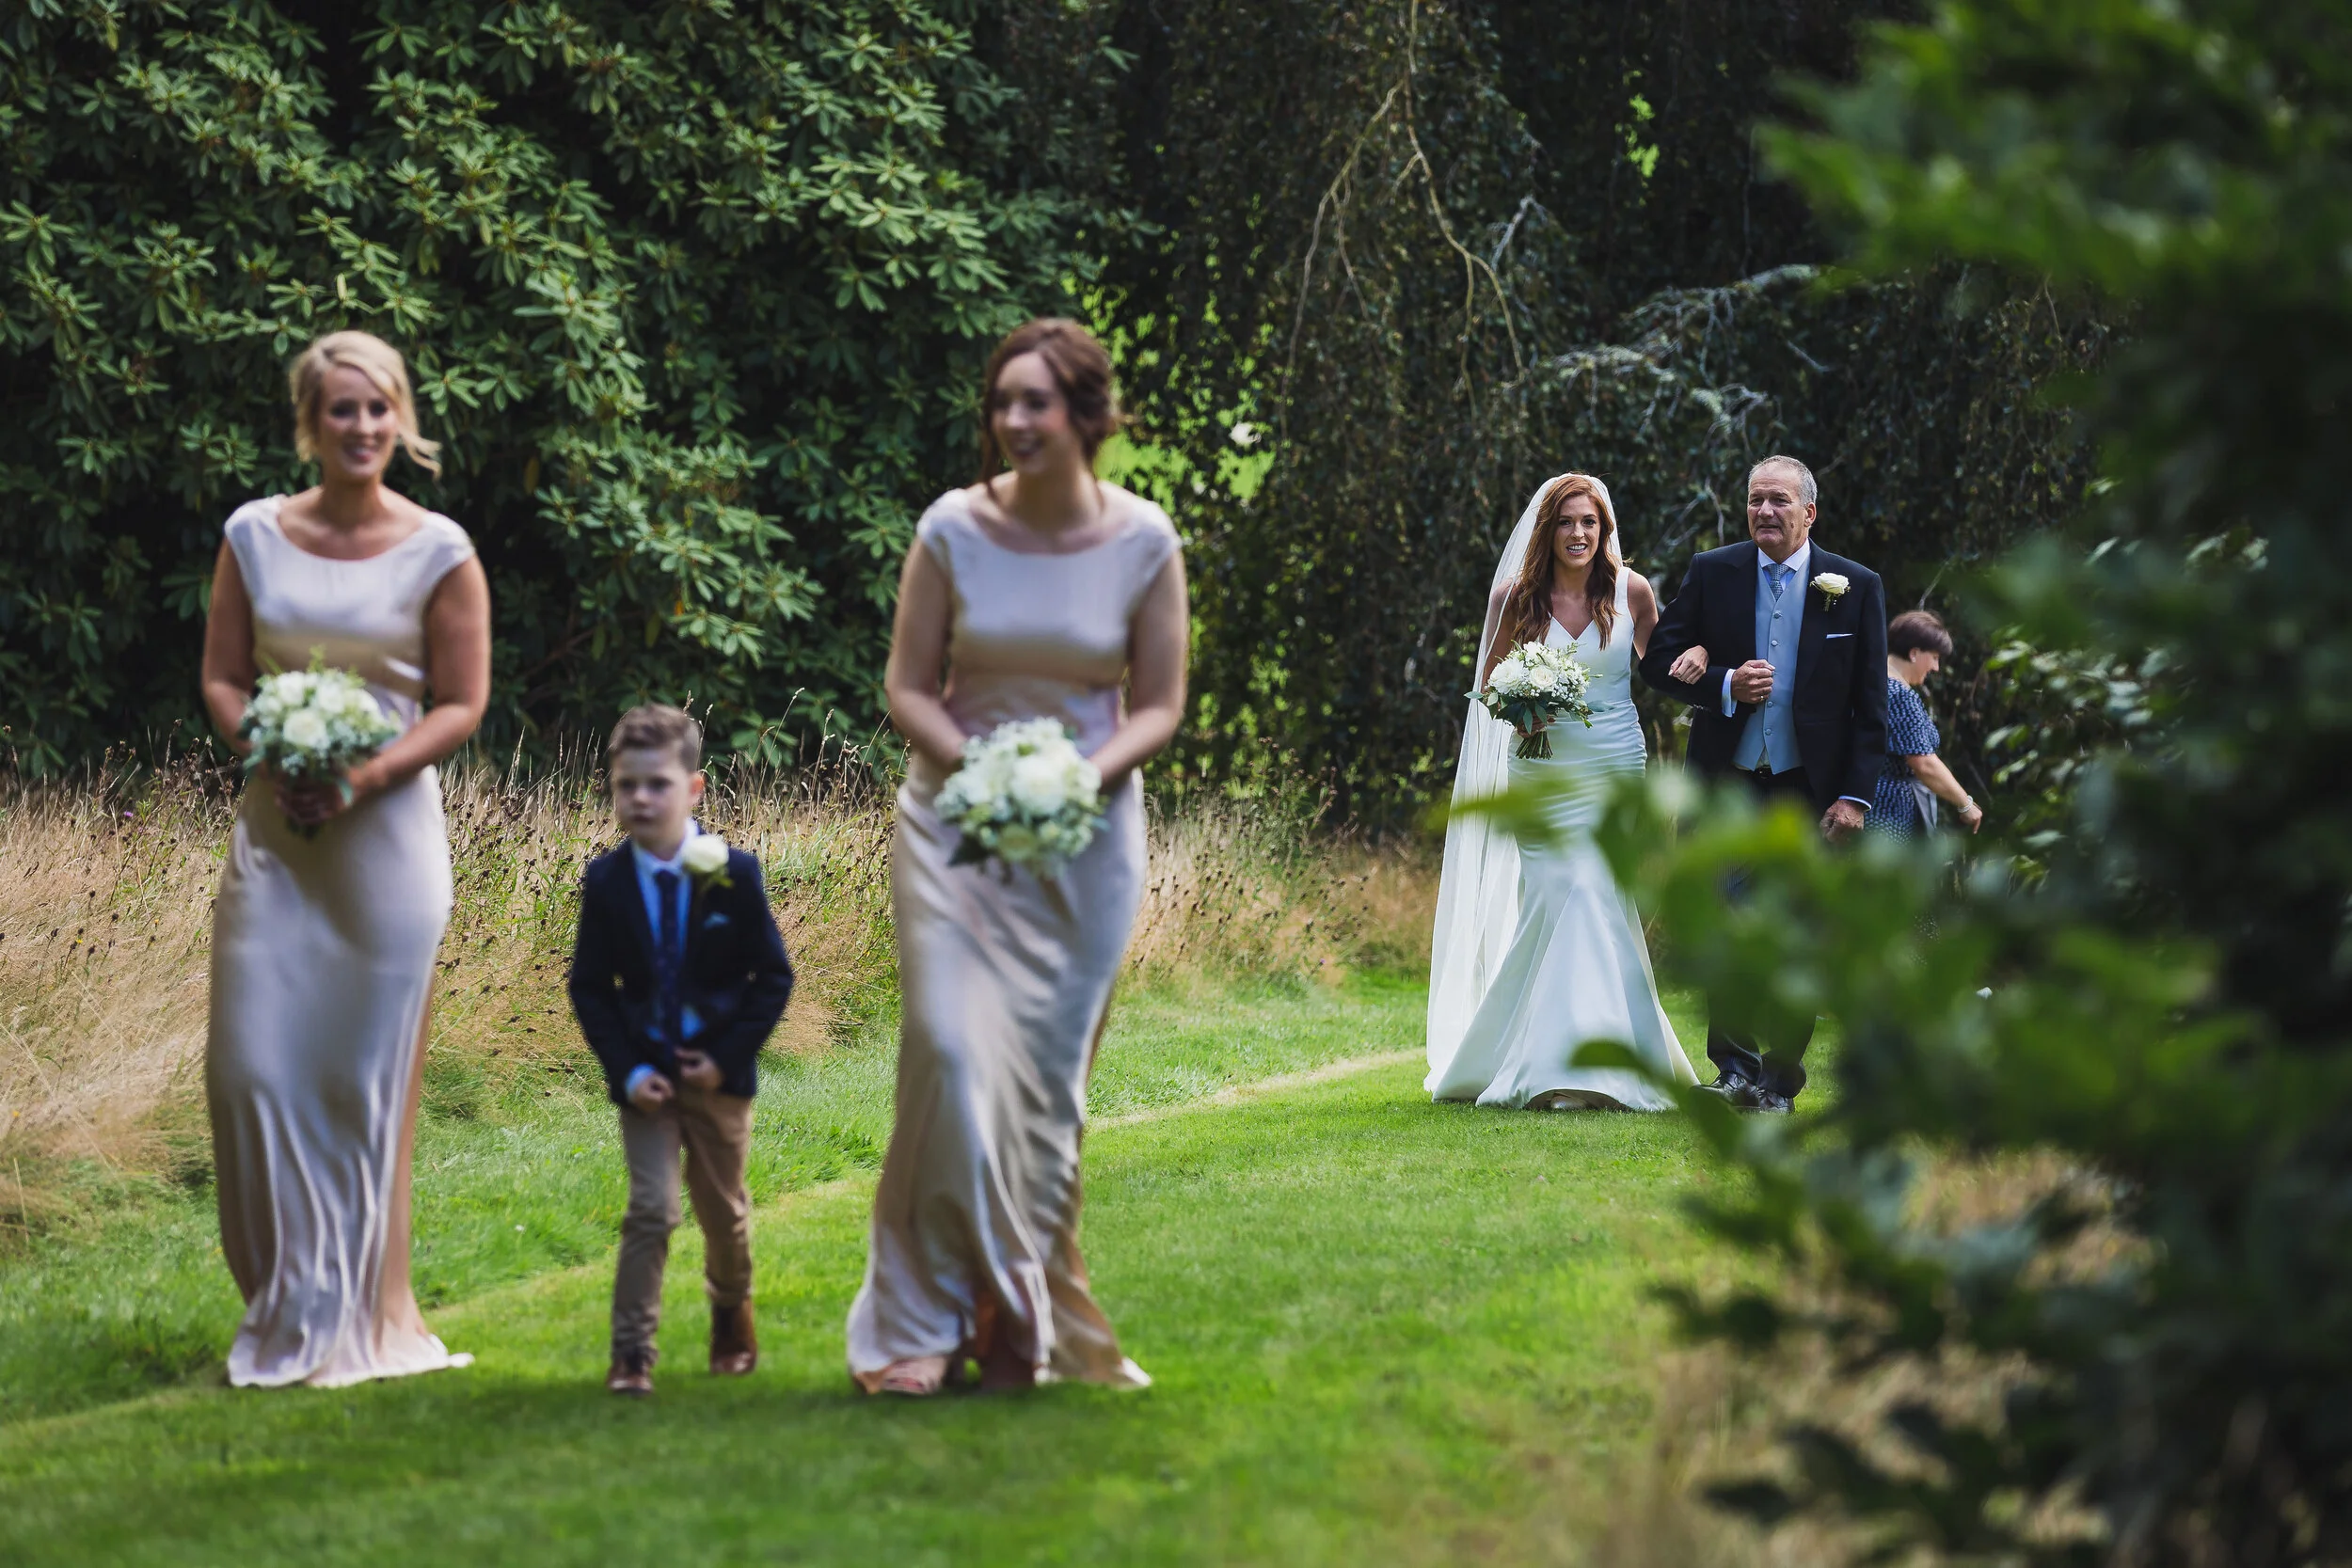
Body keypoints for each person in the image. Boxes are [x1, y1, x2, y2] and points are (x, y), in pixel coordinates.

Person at [847, 318, 1186, 1398]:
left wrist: (1083, 778)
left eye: (1034, 401)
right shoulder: (952, 527)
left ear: (1086, 415)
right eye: (1002, 402)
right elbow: (907, 686)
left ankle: (1007, 1317)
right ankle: (913, 1318)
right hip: (952, 830)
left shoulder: (1145, 540)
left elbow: (1161, 705)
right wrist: (979, 773)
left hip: (1087, 842)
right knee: (948, 1056)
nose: (1012, 420)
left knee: (1043, 1090)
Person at [200, 330, 490, 1386]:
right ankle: (284, 1296)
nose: (362, 427)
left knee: (362, 1084)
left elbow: (462, 700)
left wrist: (362, 775)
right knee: (250, 1067)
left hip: (389, 843)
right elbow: (225, 677)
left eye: (378, 409)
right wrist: (268, 749)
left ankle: (364, 1307)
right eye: (341, 410)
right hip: (276, 834)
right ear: (309, 423)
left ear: (400, 419)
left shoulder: (440, 548)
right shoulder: (252, 535)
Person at [1425, 474, 1700, 1110]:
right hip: (1542, 774)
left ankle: (1592, 1065)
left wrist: (1704, 655)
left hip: (1613, 768)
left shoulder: (1630, 591)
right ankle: (1556, 1064)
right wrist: (1524, 706)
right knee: (1563, 897)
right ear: (1547, 529)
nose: (1579, 534)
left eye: (1591, 523)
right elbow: (1490, 686)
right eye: (1567, 522)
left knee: (1598, 896)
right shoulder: (1513, 597)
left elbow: (1661, 665)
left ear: (1604, 531)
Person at [1636, 455, 1888, 1114]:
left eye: (1778, 500)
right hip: (1729, 786)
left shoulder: (1856, 586)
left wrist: (1855, 796)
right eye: (1755, 500)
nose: (1764, 512)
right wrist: (1722, 682)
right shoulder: (1712, 572)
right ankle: (1734, 1073)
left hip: (1813, 790)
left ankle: (1778, 1081)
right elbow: (1658, 662)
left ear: (1810, 512)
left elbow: (1871, 708)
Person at [568, 705, 795, 1397]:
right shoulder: (606, 881)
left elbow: (772, 977)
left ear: (692, 789)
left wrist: (725, 1056)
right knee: (652, 1208)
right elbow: (591, 987)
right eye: (625, 783)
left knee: (721, 1209)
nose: (639, 798)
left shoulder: (733, 872)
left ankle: (731, 1309)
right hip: (646, 1079)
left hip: (719, 1077)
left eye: (656, 784)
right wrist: (628, 1068)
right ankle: (632, 1351)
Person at [1867, 610, 1984, 837]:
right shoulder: (1898, 693)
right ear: (1914, 653)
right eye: (1935, 657)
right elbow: (1923, 763)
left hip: (1869, 801)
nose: (1936, 668)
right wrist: (1965, 803)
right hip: (1888, 813)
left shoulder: (1873, 681)